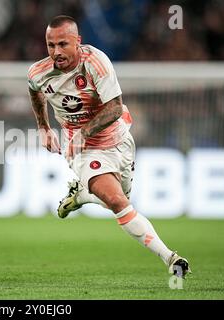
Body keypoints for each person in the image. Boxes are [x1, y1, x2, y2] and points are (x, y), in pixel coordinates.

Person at [27, 15, 191, 278]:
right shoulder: (39, 72)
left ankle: (80, 195)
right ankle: (171, 258)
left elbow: (114, 108)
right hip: (83, 149)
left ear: (77, 42)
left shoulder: (96, 63)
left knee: (121, 197)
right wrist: (44, 128)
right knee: (116, 201)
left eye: (63, 44)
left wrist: (87, 131)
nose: (56, 52)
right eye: (50, 45)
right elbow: (34, 90)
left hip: (118, 140)